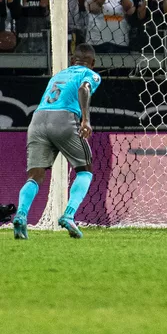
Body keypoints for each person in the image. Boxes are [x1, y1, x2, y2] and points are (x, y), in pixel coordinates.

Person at [13, 44, 101, 239]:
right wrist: (85, 120)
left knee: (35, 175)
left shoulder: (57, 76)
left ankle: (21, 215)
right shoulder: (91, 74)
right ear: (93, 63)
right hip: (63, 119)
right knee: (85, 170)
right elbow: (83, 89)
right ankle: (69, 215)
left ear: (72, 60)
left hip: (37, 120)